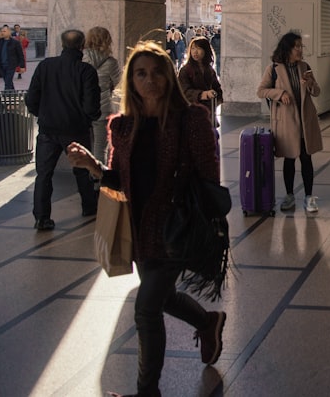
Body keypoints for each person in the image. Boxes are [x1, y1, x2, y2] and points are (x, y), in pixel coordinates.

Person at [66, 40, 226, 396]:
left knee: (145, 310)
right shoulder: (122, 126)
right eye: (141, 73)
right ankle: (207, 321)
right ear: (131, 80)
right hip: (139, 230)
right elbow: (120, 181)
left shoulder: (191, 120)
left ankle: (146, 391)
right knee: (163, 298)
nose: (150, 80)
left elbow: (208, 182)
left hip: (175, 231)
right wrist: (94, 166)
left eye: (157, 73)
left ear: (169, 77)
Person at [25, 29, 101, 229]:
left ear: (62, 44)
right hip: (76, 129)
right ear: (82, 46)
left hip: (48, 129)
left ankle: (41, 217)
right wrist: (89, 118)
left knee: (44, 174)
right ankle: (89, 206)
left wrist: (42, 114)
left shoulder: (45, 66)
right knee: (82, 170)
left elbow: (31, 98)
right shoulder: (86, 71)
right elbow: (91, 106)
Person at [257, 31, 323, 213]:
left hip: (304, 121)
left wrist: (310, 83)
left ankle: (309, 197)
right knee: (289, 159)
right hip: (286, 121)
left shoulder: (305, 66)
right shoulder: (274, 69)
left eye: (301, 46)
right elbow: (261, 91)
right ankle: (289, 195)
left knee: (306, 157)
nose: (300, 50)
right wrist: (280, 94)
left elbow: (316, 91)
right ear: (287, 49)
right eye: (297, 47)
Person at [82, 26, 123, 163]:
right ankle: (97, 180)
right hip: (102, 109)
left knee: (83, 147)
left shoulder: (80, 59)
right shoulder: (111, 63)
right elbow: (120, 84)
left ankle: (85, 180)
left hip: (82, 108)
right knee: (100, 149)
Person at [178, 37, 224, 129]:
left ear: (205, 50)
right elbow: (184, 91)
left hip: (209, 114)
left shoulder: (209, 70)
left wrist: (216, 98)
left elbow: (217, 88)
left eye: (199, 48)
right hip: (192, 114)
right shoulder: (185, 70)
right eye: (193, 48)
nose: (195, 52)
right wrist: (202, 94)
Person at [0, 25, 25, 90]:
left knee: (7, 81)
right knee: (8, 81)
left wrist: (22, 66)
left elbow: (20, 55)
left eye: (4, 31)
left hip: (11, 65)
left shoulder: (15, 42)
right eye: (1, 31)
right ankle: (13, 93)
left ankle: (6, 95)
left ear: (9, 32)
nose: (2, 33)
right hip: (1, 65)